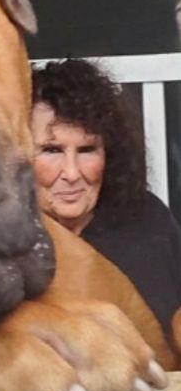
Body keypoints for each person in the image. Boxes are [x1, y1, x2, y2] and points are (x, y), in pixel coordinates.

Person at [31, 58, 181, 344]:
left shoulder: (146, 217)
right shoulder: (3, 244)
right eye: (52, 150)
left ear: (109, 153)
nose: (72, 173)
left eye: (87, 150)